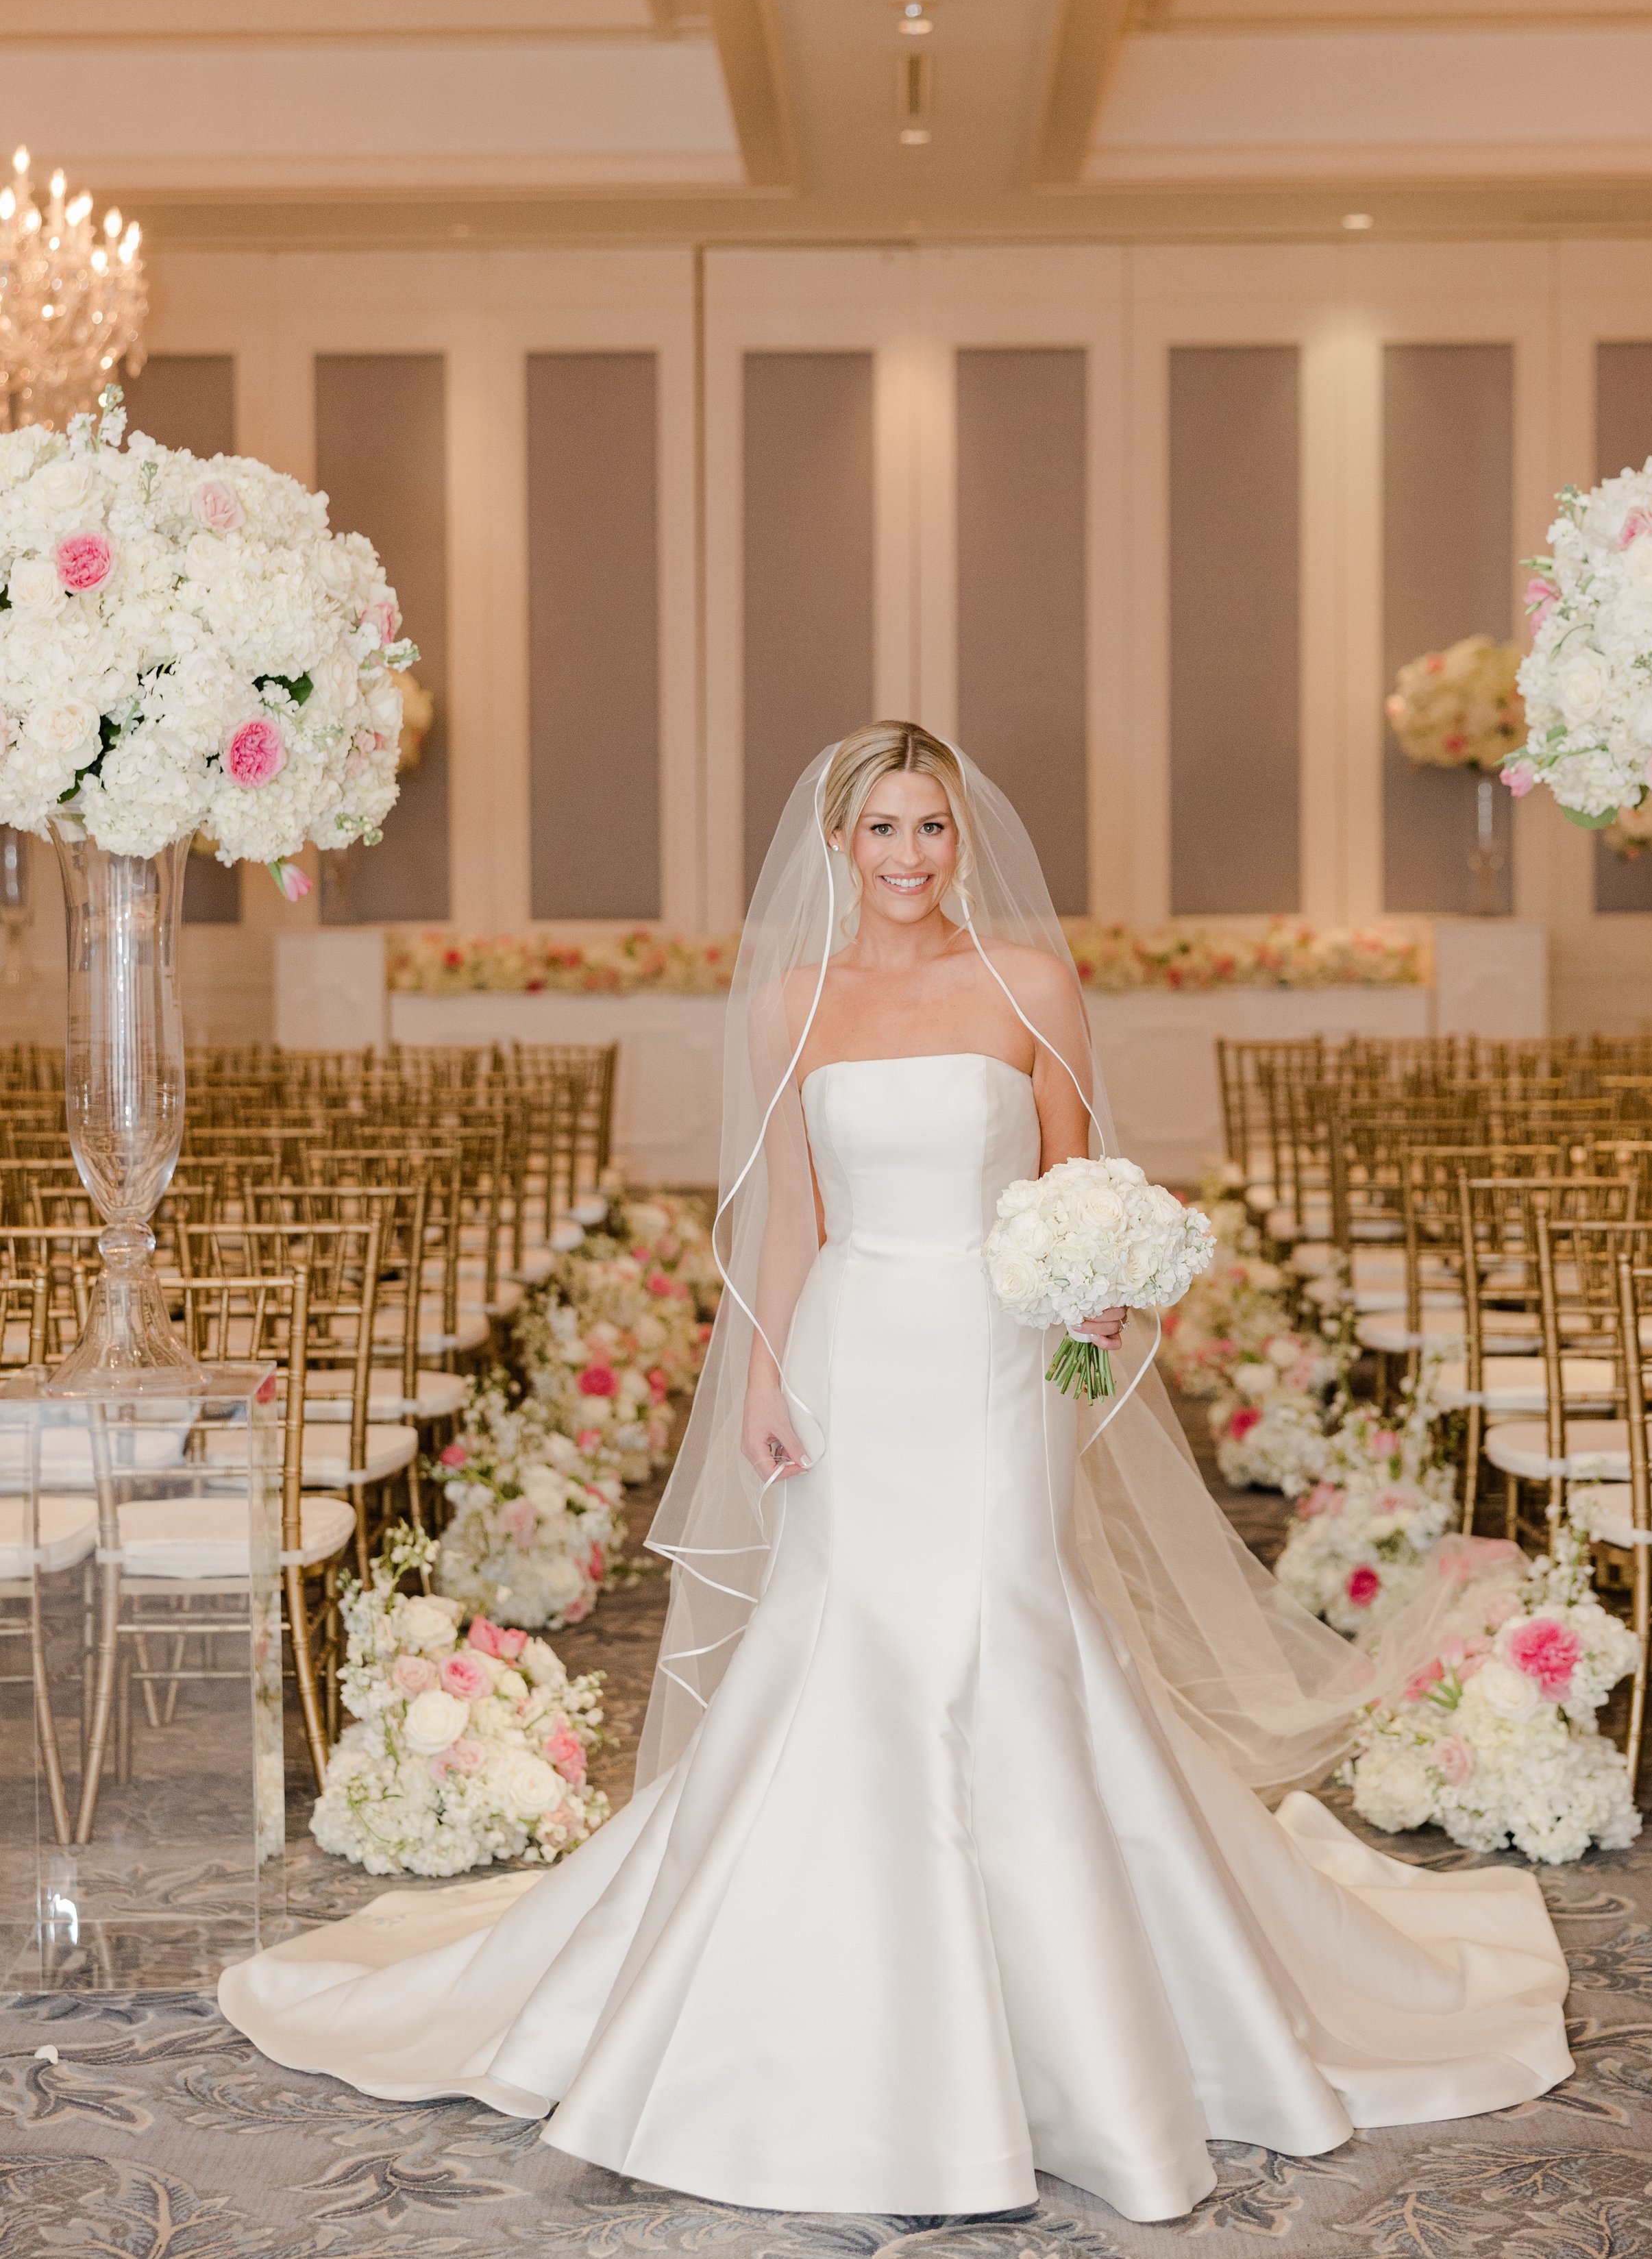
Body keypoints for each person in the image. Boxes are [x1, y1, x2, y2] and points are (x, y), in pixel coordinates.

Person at [219, 722, 1571, 2225]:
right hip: (854, 1354)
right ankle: (794, 2013)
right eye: (883, 831)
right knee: (851, 1641)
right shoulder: (792, 1000)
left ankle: (1071, 2034)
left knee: (1003, 1619)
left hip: (997, 1362)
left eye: (931, 829)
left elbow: (1073, 1178)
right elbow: (788, 1217)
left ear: (960, 840)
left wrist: (1101, 1286)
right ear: (838, 846)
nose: (910, 856)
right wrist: (760, 1378)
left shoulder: (1029, 985)